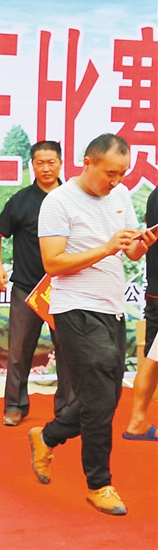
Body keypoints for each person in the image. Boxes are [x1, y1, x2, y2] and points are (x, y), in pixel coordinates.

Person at [28, 133, 156, 516]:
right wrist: (106, 247)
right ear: (87, 163)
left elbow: (130, 252)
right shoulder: (58, 202)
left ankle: (47, 436)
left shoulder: (120, 196)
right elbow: (53, 263)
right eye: (110, 173)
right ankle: (99, 484)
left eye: (122, 174)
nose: (116, 181)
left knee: (105, 399)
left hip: (112, 309)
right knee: (100, 400)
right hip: (75, 310)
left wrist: (142, 243)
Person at [0, 141, 73, 427]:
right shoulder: (21, 200)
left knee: (68, 352)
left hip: (64, 289)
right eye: (40, 163)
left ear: (60, 163)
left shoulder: (72, 199)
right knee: (18, 353)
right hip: (27, 289)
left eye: (51, 162)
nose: (46, 168)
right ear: (32, 165)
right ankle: (14, 406)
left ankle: (67, 409)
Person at [122, 185, 158, 441]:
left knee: (153, 356)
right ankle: (136, 419)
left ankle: (138, 419)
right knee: (153, 357)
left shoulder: (155, 194)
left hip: (155, 287)